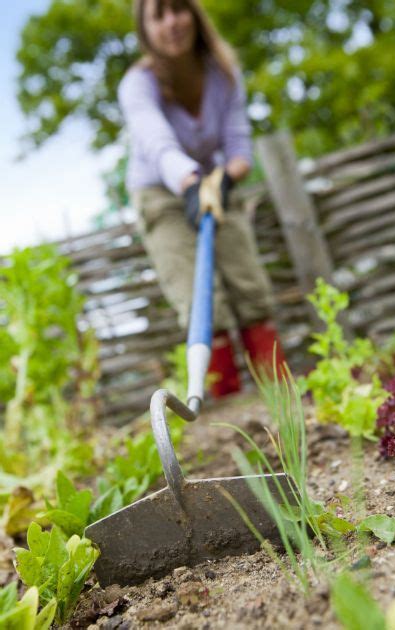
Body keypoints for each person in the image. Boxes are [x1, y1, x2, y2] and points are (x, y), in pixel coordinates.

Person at [118, 0, 286, 398]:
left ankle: (279, 400)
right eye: (158, 16)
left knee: (248, 282)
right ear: (146, 29)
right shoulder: (137, 85)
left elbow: (239, 146)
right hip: (161, 193)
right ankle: (229, 408)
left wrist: (225, 178)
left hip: (213, 182)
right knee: (199, 297)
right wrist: (189, 181)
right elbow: (157, 144)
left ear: (194, 15)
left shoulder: (223, 74)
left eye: (178, 10)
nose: (171, 23)